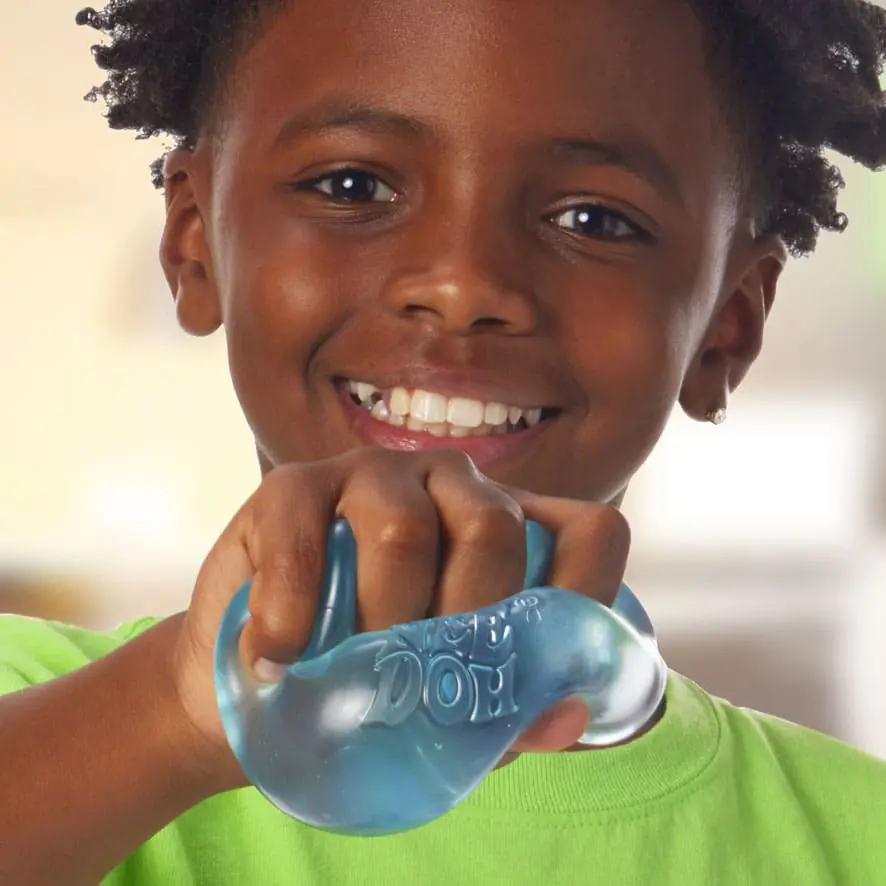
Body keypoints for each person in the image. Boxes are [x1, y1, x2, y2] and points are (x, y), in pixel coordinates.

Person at [2, 0, 886, 882]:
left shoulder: (858, 833)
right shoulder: (39, 706)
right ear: (195, 246)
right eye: (352, 186)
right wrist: (179, 714)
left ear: (726, 326)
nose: (463, 286)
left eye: (593, 220)